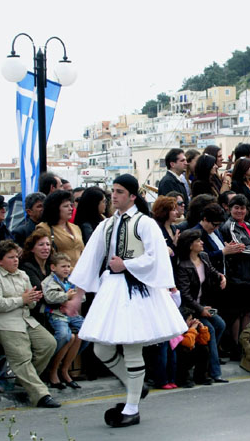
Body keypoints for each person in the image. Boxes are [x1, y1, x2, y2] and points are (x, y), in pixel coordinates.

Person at [70, 174, 188, 427]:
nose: (114, 195)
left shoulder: (144, 223)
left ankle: (132, 406)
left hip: (137, 290)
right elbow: (90, 258)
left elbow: (156, 258)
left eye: (120, 191)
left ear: (133, 196)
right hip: (112, 289)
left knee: (132, 346)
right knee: (101, 347)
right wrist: (78, 294)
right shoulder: (106, 224)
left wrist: (127, 264)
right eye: (113, 191)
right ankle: (134, 386)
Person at [0, 240, 60, 408]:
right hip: (7, 323)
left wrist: (32, 299)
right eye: (10, 257)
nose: (15, 260)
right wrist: (22, 299)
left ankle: (23, 379)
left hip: (26, 319)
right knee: (21, 358)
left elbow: (30, 303)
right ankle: (41, 395)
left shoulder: (22, 275)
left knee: (48, 344)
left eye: (16, 257)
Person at [176, 229, 228, 384]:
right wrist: (200, 310)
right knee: (209, 330)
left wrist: (221, 276)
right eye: (198, 241)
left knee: (220, 324)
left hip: (203, 304)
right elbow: (185, 295)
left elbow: (211, 271)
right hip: (189, 309)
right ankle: (213, 372)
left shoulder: (203, 257)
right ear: (190, 245)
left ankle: (206, 359)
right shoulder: (183, 265)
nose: (202, 243)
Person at [220, 195, 250, 357]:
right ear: (229, 208)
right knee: (237, 313)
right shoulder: (230, 226)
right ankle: (236, 346)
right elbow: (239, 248)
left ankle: (245, 343)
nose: (240, 211)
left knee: (248, 311)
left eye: (243, 208)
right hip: (239, 275)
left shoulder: (248, 224)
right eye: (236, 208)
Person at [42, 253, 86, 389]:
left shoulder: (70, 280)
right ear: (53, 267)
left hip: (71, 313)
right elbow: (49, 297)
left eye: (68, 266)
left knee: (87, 331)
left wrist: (72, 299)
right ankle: (53, 364)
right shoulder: (49, 281)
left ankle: (64, 366)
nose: (66, 269)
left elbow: (81, 297)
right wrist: (66, 296)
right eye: (63, 266)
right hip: (57, 313)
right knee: (65, 336)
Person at [35, 191, 84, 268]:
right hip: (60, 274)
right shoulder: (44, 228)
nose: (71, 209)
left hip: (80, 274)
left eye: (71, 205)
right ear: (55, 208)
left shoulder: (76, 228)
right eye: (66, 206)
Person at [19, 231, 53, 326]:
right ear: (32, 249)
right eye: (41, 245)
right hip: (38, 312)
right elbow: (40, 290)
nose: (46, 248)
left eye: (48, 244)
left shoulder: (50, 266)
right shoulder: (27, 267)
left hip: (53, 307)